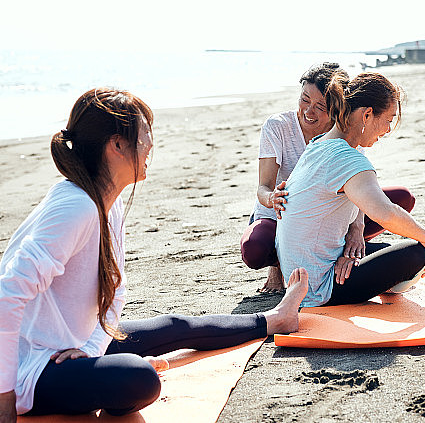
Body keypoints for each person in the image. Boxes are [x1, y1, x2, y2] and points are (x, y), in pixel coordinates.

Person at [0, 88, 308, 420]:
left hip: (70, 345)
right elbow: (7, 294)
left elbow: (115, 292)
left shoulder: (108, 199)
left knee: (175, 326)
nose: (150, 145)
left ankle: (275, 319)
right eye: (146, 135)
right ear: (117, 145)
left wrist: (90, 352)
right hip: (27, 372)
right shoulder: (76, 206)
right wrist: (5, 398)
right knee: (139, 378)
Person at [274, 71, 425, 307]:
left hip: (302, 277)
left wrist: (345, 255)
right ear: (367, 114)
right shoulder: (345, 157)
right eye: (388, 120)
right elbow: (385, 213)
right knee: (416, 252)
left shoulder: (319, 145)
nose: (388, 130)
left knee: (388, 250)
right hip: (318, 289)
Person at [240, 63, 416, 292]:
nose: (308, 111)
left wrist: (356, 229)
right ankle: (279, 264)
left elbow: (359, 186)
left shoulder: (347, 130)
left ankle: (345, 250)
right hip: (279, 211)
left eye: (319, 106)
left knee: (402, 199)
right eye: (304, 99)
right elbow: (263, 187)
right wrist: (271, 198)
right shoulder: (278, 127)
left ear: (336, 108)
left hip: (327, 213)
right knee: (254, 249)